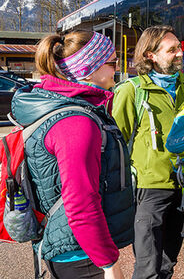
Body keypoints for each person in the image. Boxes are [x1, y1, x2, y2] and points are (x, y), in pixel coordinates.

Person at [11, 31, 133, 279]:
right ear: (89, 68)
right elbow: (81, 203)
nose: (117, 68)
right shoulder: (76, 121)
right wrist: (110, 265)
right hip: (80, 256)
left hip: (71, 246)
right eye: (112, 62)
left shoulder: (61, 105)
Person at [112, 26, 184, 279]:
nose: (180, 53)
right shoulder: (131, 91)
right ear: (150, 55)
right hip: (148, 188)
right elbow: (116, 142)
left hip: (181, 184)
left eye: (179, 47)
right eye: (172, 50)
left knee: (168, 263)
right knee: (147, 266)